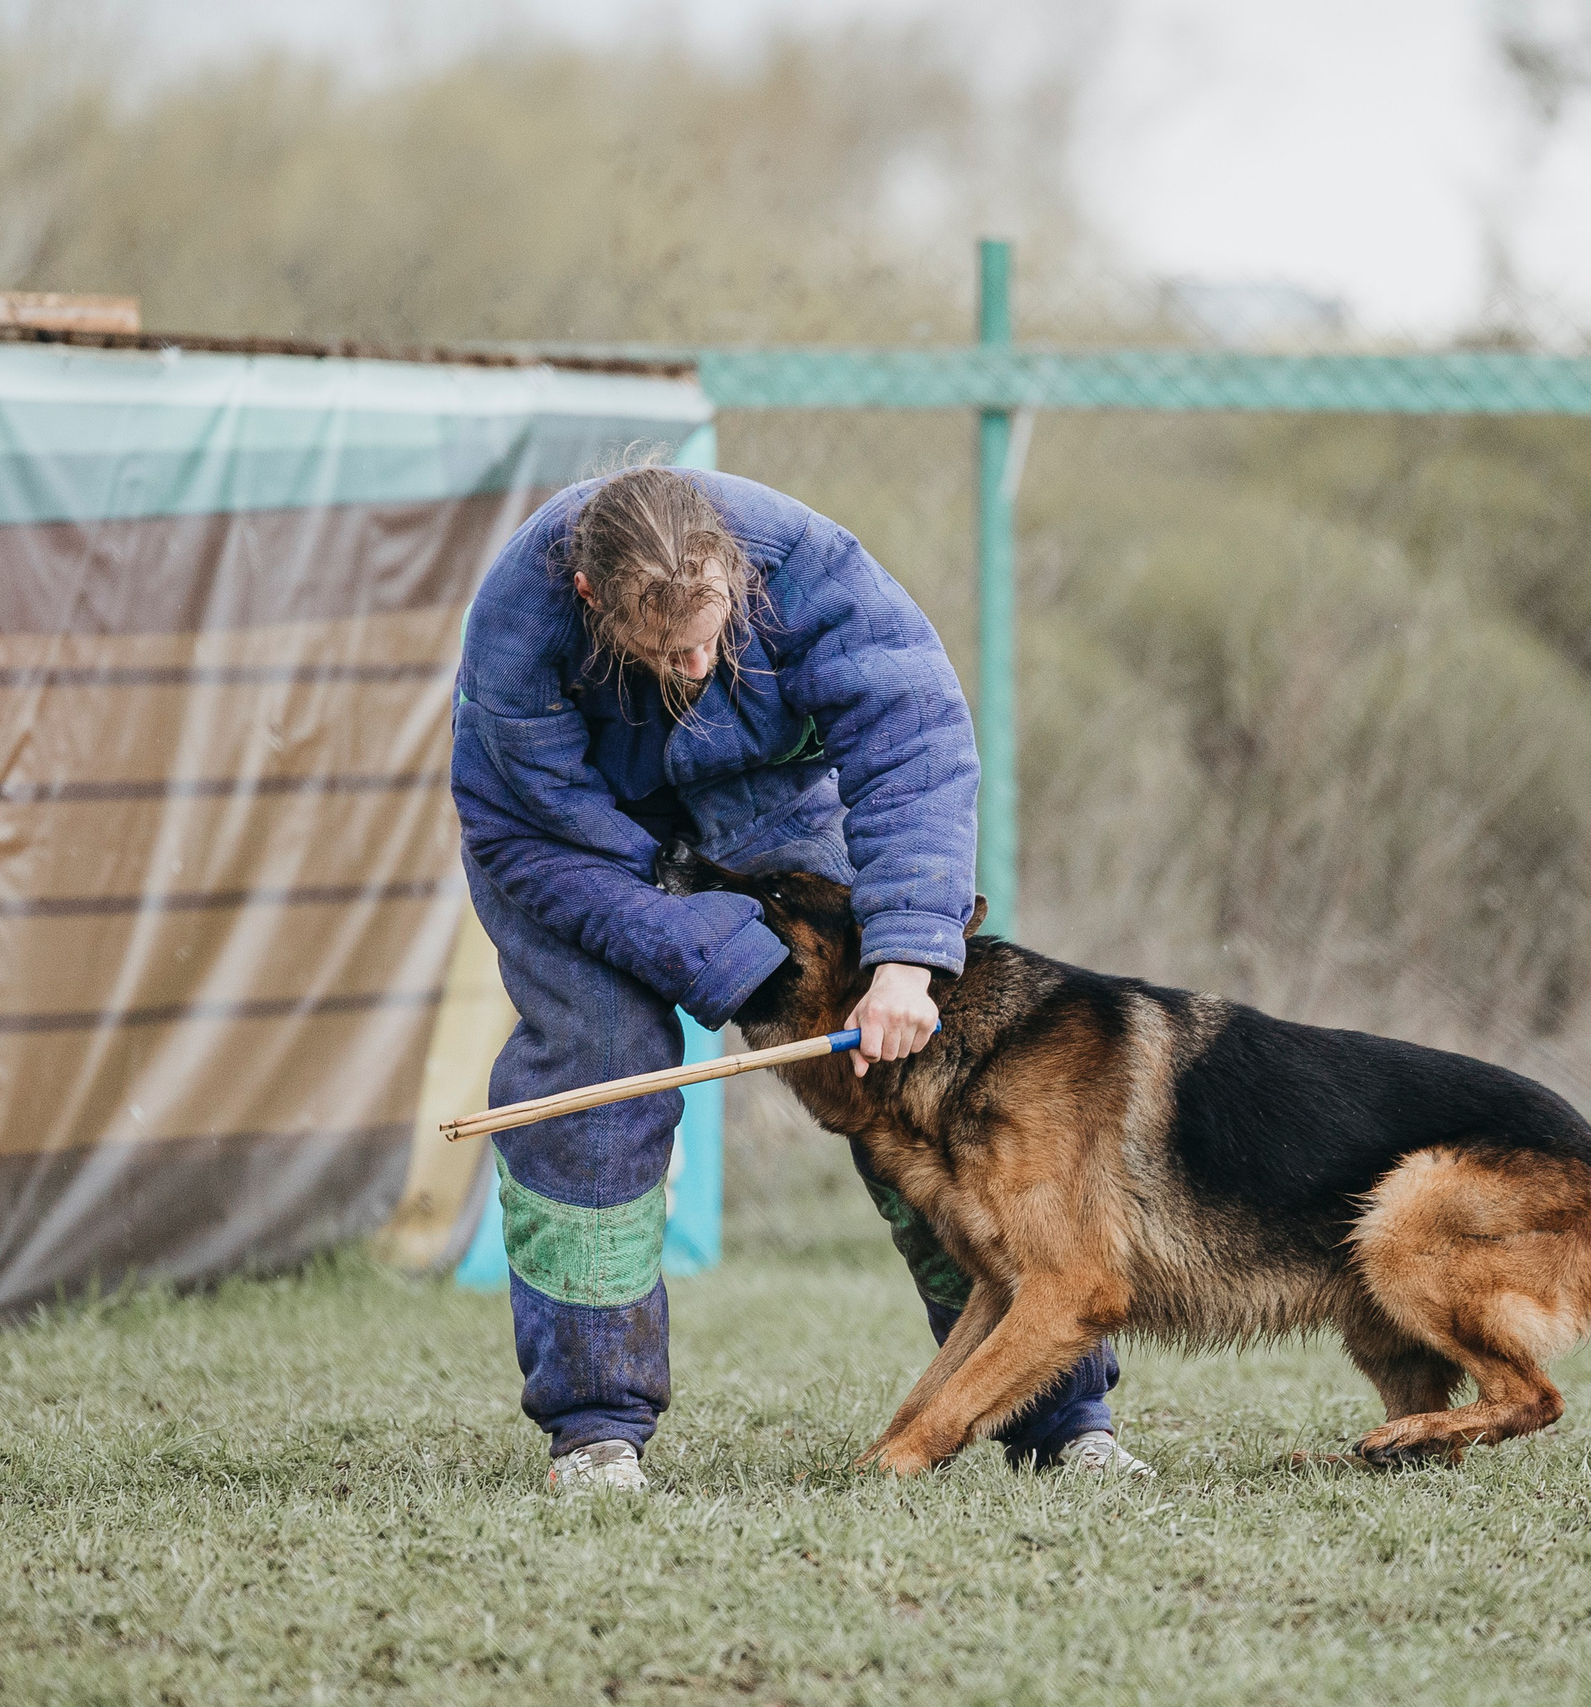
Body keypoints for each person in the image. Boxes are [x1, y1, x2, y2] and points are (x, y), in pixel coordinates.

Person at [450, 462, 1150, 1492]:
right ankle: (594, 1429)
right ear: (593, 602)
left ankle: (1056, 1413)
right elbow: (549, 829)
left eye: (709, 638)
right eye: (662, 651)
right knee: (595, 1065)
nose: (691, 668)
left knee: (921, 1067)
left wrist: (908, 959)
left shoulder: (818, 574)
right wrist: (731, 955)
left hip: (762, 807)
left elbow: (912, 749)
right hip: (565, 843)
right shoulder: (521, 623)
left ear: (737, 573)